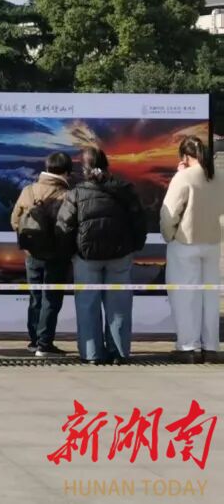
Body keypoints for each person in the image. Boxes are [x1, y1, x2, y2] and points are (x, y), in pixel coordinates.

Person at [55, 147, 147, 366]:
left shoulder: (76, 193)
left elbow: (64, 226)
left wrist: (70, 252)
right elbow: (139, 221)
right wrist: (135, 246)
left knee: (87, 305)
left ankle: (92, 354)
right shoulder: (125, 190)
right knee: (119, 305)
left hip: (86, 257)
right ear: (107, 165)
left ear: (84, 169)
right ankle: (119, 353)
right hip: (120, 255)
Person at [161, 136, 224, 364]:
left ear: (185, 157)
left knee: (185, 296)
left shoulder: (183, 177)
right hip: (212, 242)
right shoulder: (219, 176)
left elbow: (169, 214)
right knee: (210, 297)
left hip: (185, 243)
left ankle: (188, 347)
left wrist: (169, 236)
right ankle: (211, 347)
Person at [11, 152, 73, 357]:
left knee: (35, 297)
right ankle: (45, 344)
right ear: (66, 172)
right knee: (51, 299)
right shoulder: (67, 195)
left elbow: (15, 221)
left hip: (32, 254)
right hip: (56, 255)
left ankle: (34, 341)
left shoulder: (28, 190)